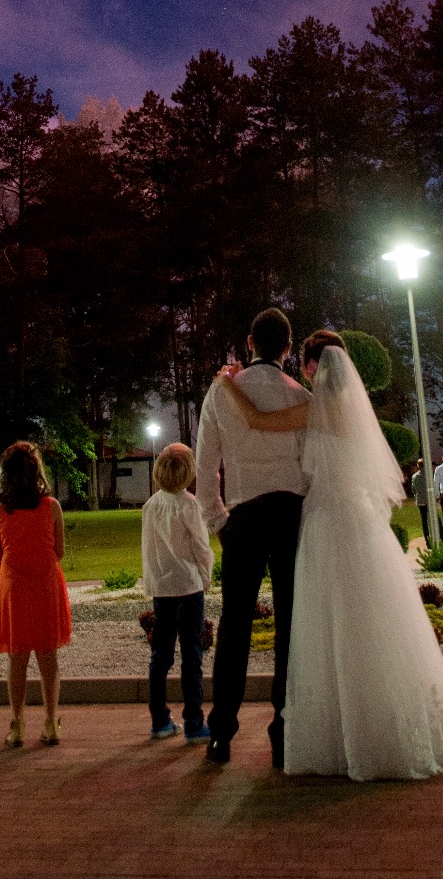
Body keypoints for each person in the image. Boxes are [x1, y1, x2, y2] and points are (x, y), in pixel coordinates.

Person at [217, 330, 443, 781]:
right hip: (359, 521)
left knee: (324, 623)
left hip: (324, 520)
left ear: (315, 366)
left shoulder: (317, 407)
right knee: (370, 620)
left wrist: (225, 384)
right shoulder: (354, 412)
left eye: (305, 361)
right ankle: (380, 723)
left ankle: (339, 731)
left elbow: (258, 420)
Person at [194, 306, 307, 768]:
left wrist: (218, 520)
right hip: (290, 514)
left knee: (235, 624)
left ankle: (221, 732)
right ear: (287, 349)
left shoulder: (223, 391)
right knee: (289, 625)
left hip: (243, 514)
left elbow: (205, 463)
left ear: (248, 342)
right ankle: (283, 728)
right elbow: (311, 467)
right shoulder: (300, 394)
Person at [0, 441, 72, 749]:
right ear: (37, 471)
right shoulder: (51, 507)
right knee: (48, 656)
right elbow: (59, 551)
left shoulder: (0, 512)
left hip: (14, 586)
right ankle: (51, 722)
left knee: (17, 657)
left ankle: (17, 723)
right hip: (46, 584)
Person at [140, 442, 213, 743]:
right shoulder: (189, 505)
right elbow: (201, 546)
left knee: (161, 655)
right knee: (192, 656)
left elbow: (148, 548)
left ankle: (159, 719)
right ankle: (194, 722)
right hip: (188, 586)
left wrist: (152, 582)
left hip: (163, 589)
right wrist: (205, 577)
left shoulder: (150, 506)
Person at [409, 457, 432, 544]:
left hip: (421, 500)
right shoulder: (429, 475)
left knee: (424, 520)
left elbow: (413, 489)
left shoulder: (414, 476)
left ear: (418, 465)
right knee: (434, 518)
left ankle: (427, 541)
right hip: (429, 500)